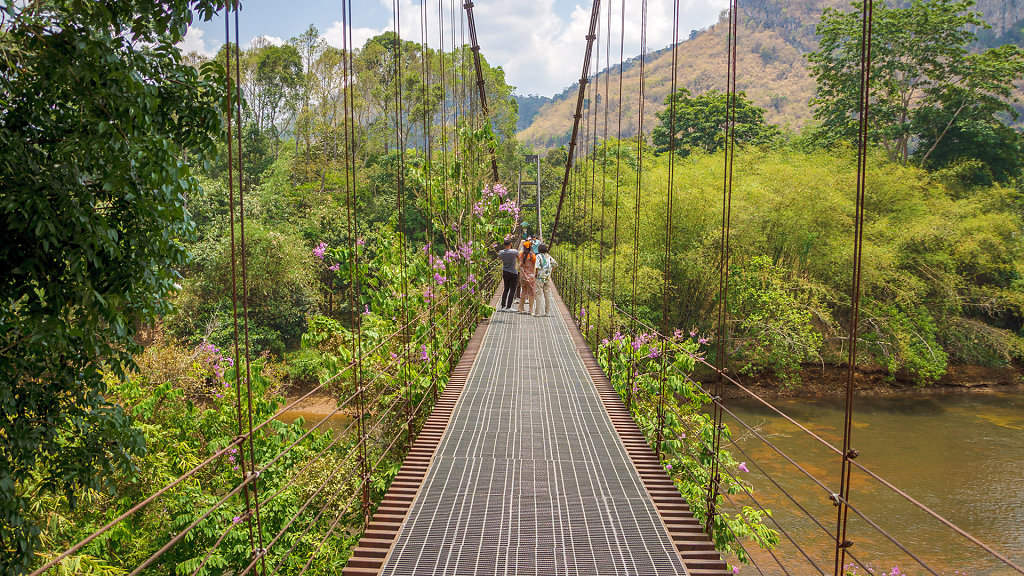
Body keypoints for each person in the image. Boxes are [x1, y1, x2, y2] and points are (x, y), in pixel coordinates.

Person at [534, 243, 557, 316]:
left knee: (538, 295)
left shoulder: (538, 256)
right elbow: (555, 264)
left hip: (540, 278)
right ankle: (547, 312)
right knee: (547, 295)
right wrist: (550, 272)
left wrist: (536, 274)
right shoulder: (548, 256)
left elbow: (536, 267)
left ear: (539, 249)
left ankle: (537, 312)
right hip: (547, 278)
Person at [497, 237, 519, 311]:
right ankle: (509, 307)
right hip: (514, 272)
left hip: (505, 272)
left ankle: (503, 306)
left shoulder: (501, 252)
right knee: (512, 289)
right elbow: (519, 258)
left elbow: (499, 258)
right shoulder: (515, 252)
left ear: (503, 244)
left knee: (506, 289)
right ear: (511, 244)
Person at [517, 241, 537, 315]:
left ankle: (520, 308)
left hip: (522, 276)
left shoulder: (521, 255)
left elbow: (519, 262)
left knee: (523, 291)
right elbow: (535, 265)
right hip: (530, 277)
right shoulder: (532, 256)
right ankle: (531, 310)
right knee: (531, 293)